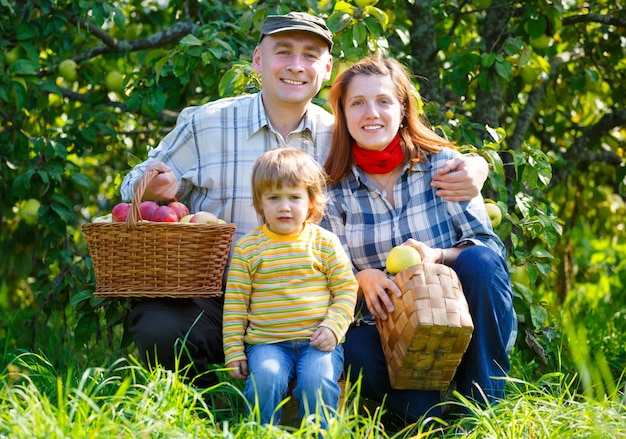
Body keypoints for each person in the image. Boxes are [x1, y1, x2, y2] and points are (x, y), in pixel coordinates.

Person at [119, 12, 490, 391]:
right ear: (258, 60)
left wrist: (478, 165)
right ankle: (202, 405)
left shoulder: (342, 134)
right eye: (283, 52)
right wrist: (152, 188)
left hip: (305, 306)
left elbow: (403, 150)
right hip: (219, 296)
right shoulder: (208, 123)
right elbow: (134, 183)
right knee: (159, 326)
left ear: (326, 68)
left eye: (310, 55)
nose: (296, 66)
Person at [320, 54, 517, 424]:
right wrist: (358, 279)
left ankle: (482, 410)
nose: (371, 113)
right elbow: (327, 270)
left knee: (481, 262)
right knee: (359, 351)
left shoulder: (442, 165)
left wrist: (438, 256)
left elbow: (490, 250)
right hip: (389, 335)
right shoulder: (334, 189)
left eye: (383, 101)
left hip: (457, 320)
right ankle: (423, 421)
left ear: (402, 107)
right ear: (343, 115)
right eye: (357, 103)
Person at [222, 148, 358, 426]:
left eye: (294, 197)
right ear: (260, 203)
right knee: (266, 380)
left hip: (316, 342)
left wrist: (334, 326)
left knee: (317, 381)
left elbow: (346, 288)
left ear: (310, 201)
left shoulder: (324, 242)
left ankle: (320, 432)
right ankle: (262, 432)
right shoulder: (249, 247)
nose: (284, 207)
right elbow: (236, 303)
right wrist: (233, 349)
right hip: (267, 344)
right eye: (274, 198)